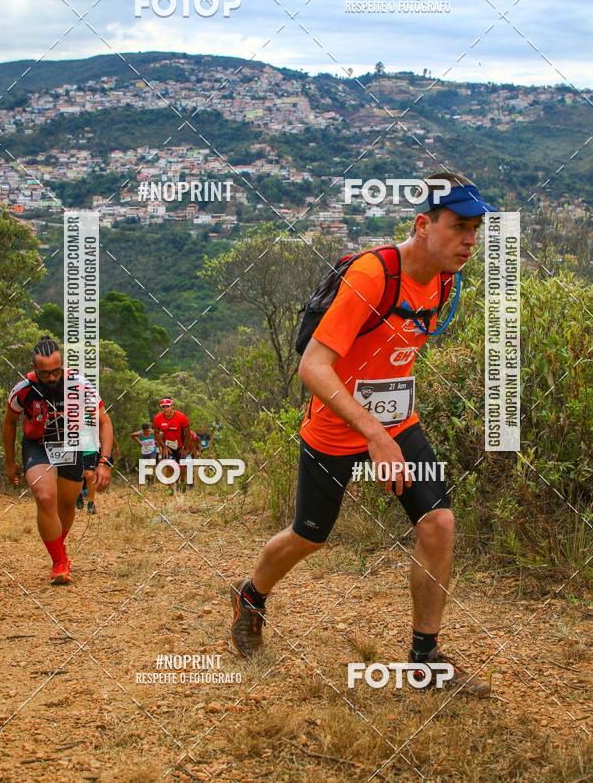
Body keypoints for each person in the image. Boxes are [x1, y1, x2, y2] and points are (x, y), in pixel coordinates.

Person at [230, 173, 496, 698]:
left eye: (477, 229)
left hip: (398, 426)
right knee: (310, 535)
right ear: (423, 225)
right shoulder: (372, 276)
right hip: (335, 431)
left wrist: (388, 428)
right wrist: (372, 432)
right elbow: (313, 366)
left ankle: (425, 659)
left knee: (438, 523)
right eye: (459, 227)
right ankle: (251, 595)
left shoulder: (444, 277)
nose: (471, 240)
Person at [3, 334, 113, 584]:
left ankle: (59, 549)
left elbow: (104, 421)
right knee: (44, 496)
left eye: (56, 371)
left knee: (66, 504)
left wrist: (104, 461)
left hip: (72, 445)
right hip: (38, 446)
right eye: (45, 373)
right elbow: (9, 423)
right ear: (34, 370)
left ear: (63, 365)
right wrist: (10, 462)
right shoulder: (23, 390)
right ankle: (59, 563)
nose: (52, 377)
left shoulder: (79, 384)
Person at [152, 398, 197, 490]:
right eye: (163, 407)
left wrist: (185, 447)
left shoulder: (181, 417)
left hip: (181, 446)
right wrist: (163, 447)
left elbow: (187, 433)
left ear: (172, 406)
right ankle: (170, 488)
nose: (165, 409)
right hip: (168, 446)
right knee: (169, 466)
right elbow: (156, 433)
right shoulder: (157, 418)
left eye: (167, 406)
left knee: (182, 467)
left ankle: (183, 482)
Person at [79, 437, 119, 514]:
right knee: (78, 474)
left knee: (90, 475)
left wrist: (115, 447)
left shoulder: (97, 425)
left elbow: (110, 435)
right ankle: (78, 494)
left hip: (90, 449)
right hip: (74, 448)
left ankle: (91, 504)